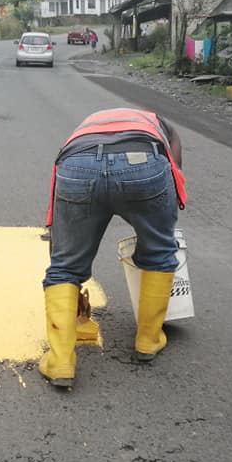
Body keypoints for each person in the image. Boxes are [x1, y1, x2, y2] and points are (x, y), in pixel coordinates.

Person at [39, 108, 187, 389]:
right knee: (159, 252)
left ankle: (60, 361)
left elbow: (59, 236)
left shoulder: (90, 124)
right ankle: (148, 340)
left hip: (78, 163)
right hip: (144, 162)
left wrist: (64, 264)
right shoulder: (163, 125)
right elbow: (175, 171)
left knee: (65, 267)